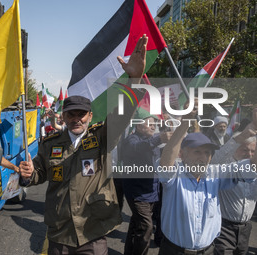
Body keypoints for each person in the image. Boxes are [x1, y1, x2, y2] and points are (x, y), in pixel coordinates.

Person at [18, 35, 149, 254]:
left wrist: (133, 80)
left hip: (92, 233)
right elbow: (40, 173)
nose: (76, 119)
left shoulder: (102, 138)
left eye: (81, 114)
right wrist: (30, 174)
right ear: (64, 116)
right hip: (59, 233)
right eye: (71, 114)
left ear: (90, 116)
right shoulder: (50, 143)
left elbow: (120, 115)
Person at [157, 106, 257, 255]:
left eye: (207, 153)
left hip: (208, 251)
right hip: (174, 251)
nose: (202, 157)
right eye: (197, 151)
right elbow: (166, 161)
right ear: (182, 155)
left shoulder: (215, 174)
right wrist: (185, 123)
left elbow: (251, 167)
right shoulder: (174, 175)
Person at [121, 109, 172, 255]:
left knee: (136, 224)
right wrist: (159, 139)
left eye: (154, 123)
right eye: (149, 123)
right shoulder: (132, 140)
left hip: (151, 192)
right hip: (137, 193)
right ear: (137, 126)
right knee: (146, 227)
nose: (153, 126)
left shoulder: (154, 142)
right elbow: (137, 148)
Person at [211, 109, 257, 255]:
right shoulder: (224, 167)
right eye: (244, 150)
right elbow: (215, 160)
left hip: (245, 228)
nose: (248, 155)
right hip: (224, 228)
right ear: (235, 149)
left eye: (252, 151)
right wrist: (242, 136)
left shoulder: (253, 168)